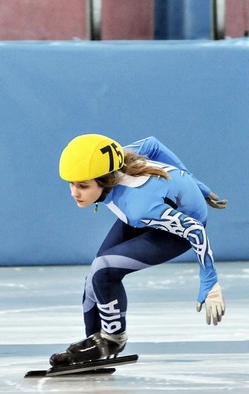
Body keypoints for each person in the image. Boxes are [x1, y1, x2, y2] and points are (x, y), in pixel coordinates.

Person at [50, 134, 227, 366]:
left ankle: (113, 340)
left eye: (83, 185)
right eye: (72, 183)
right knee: (95, 277)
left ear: (105, 181)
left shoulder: (138, 206)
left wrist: (210, 280)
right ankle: (94, 342)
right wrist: (194, 183)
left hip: (173, 231)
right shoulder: (114, 159)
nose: (75, 192)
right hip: (152, 210)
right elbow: (152, 144)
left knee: (103, 270)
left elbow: (193, 229)